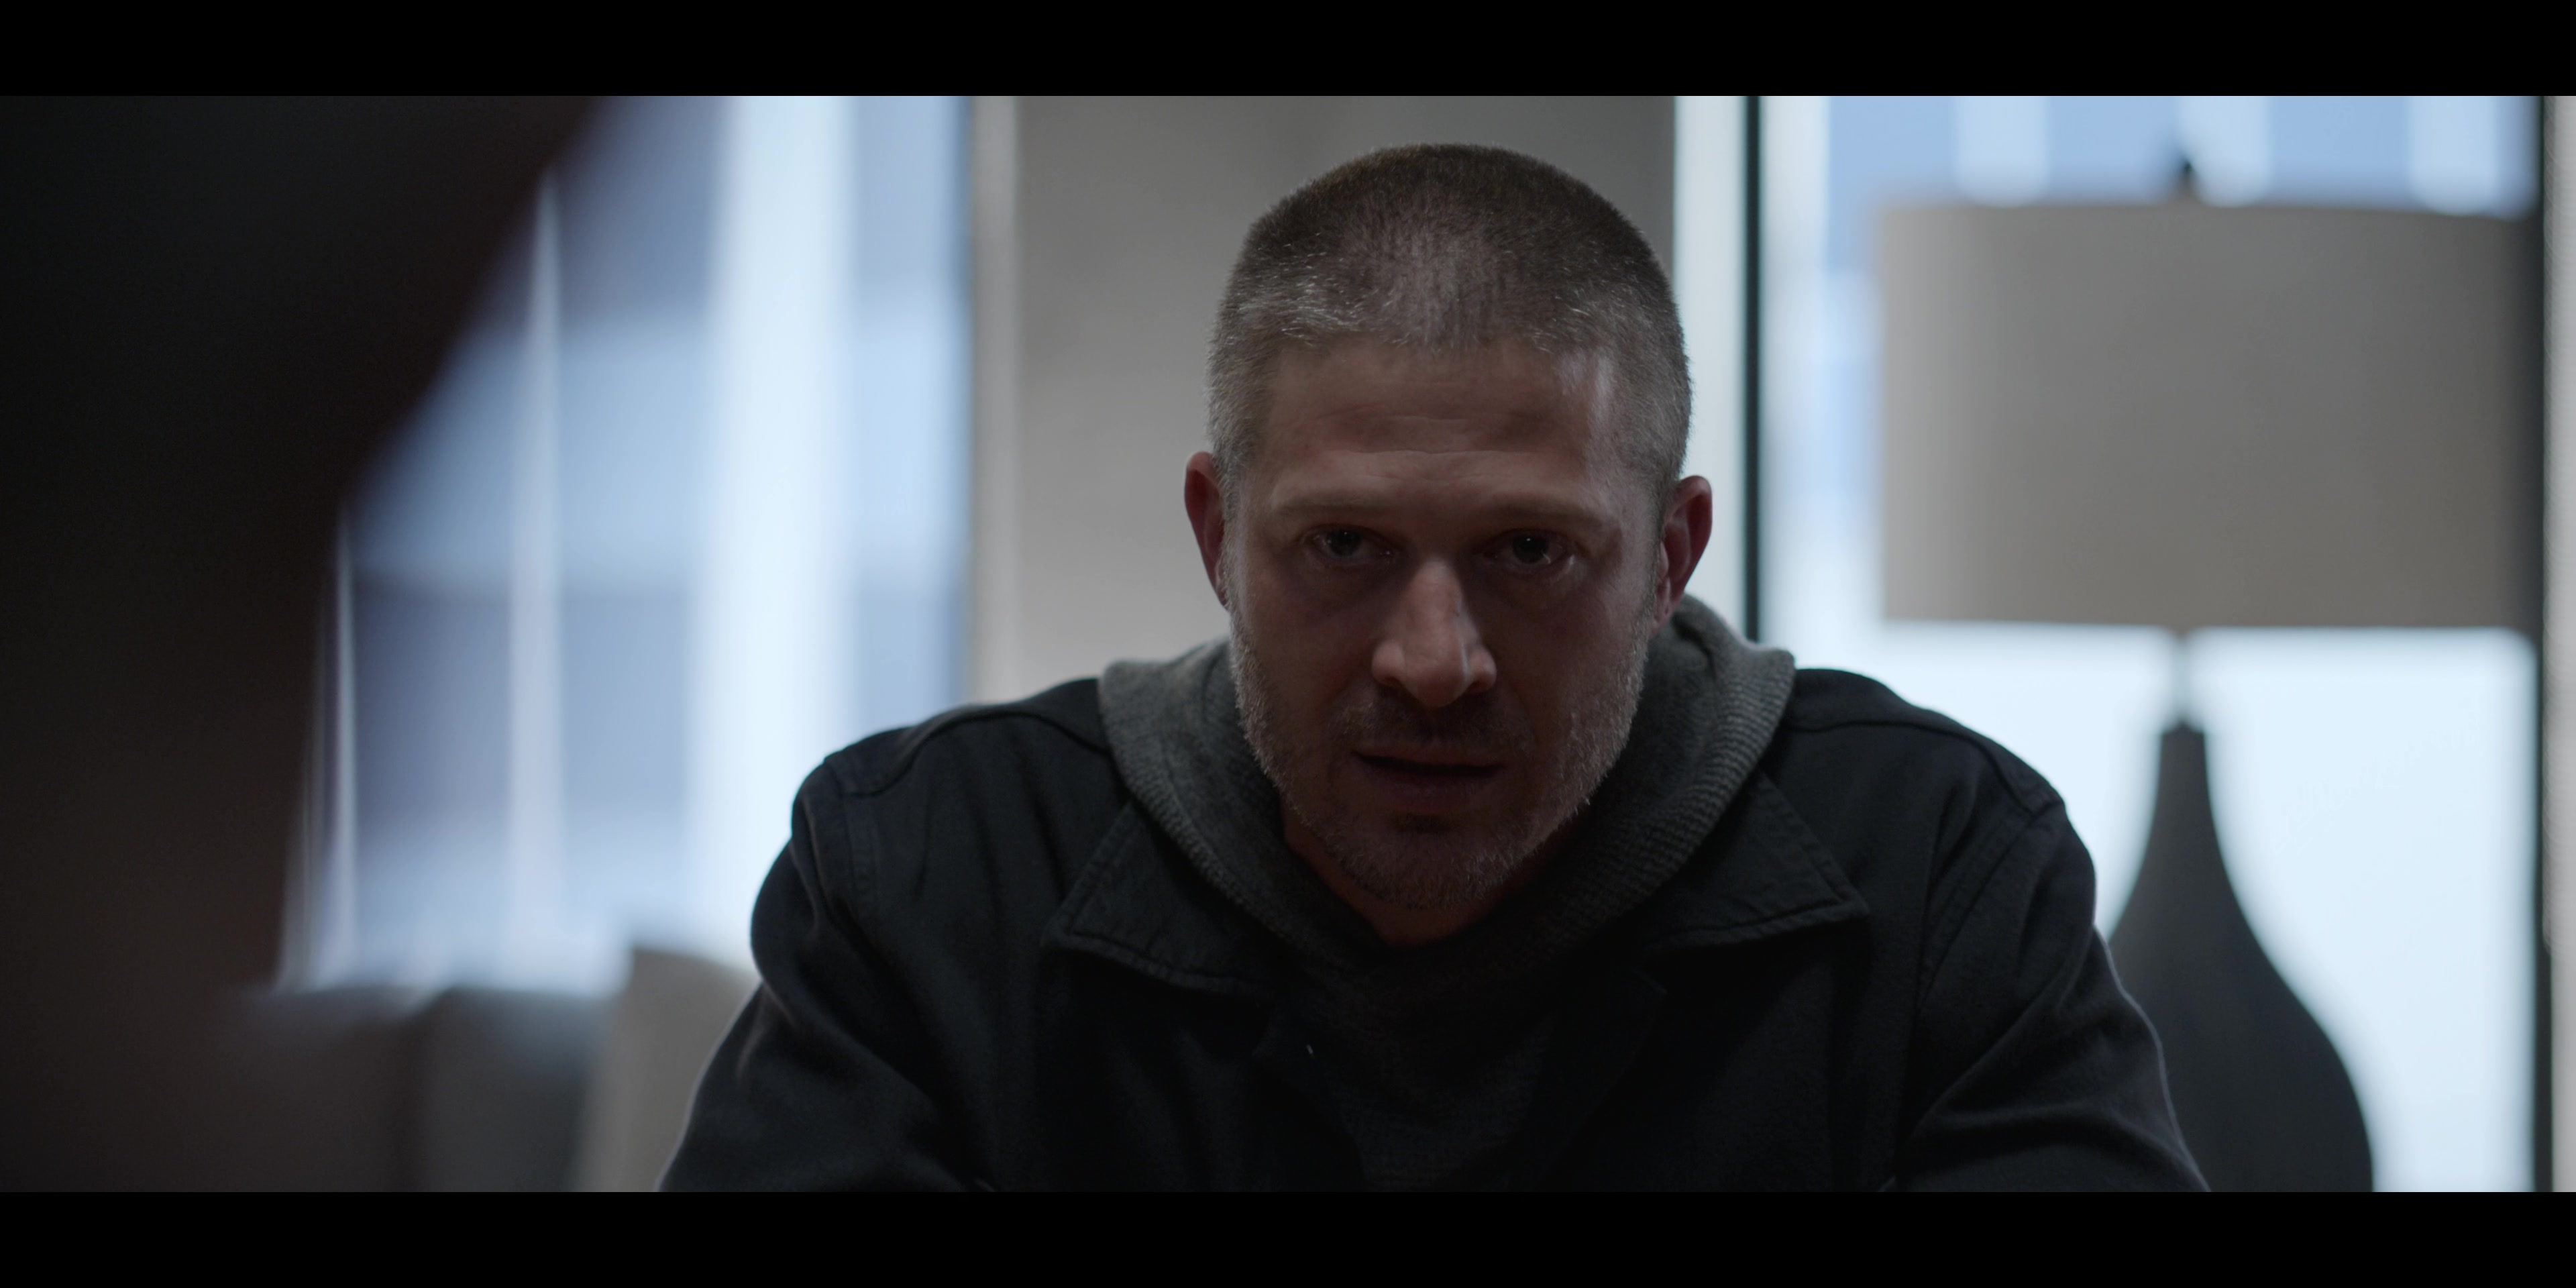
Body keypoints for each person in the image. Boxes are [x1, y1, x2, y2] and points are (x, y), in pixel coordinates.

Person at [664, 144, 2202, 1191]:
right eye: (1343, 546)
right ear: (1218, 534)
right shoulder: (930, 879)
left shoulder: (1938, 871)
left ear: (1670, 556)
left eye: (1530, 553)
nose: (1432, 661)